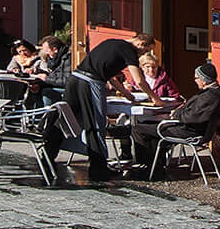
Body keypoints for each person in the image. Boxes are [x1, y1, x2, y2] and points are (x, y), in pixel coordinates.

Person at [50, 30, 161, 182]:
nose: (143, 54)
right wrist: (155, 98)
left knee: (66, 119)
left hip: (75, 79)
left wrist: (125, 93)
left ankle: (47, 155)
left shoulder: (112, 43)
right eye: (146, 50)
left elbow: (108, 73)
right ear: (141, 43)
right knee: (96, 124)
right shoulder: (129, 50)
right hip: (90, 83)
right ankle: (99, 169)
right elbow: (139, 80)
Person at [146, 62, 220, 172]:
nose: (195, 80)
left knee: (140, 129)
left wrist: (176, 114)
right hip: (198, 131)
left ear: (204, 80)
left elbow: (191, 117)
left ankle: (148, 166)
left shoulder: (209, 97)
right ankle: (156, 164)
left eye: (196, 78)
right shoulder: (218, 95)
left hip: (189, 132)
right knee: (153, 129)